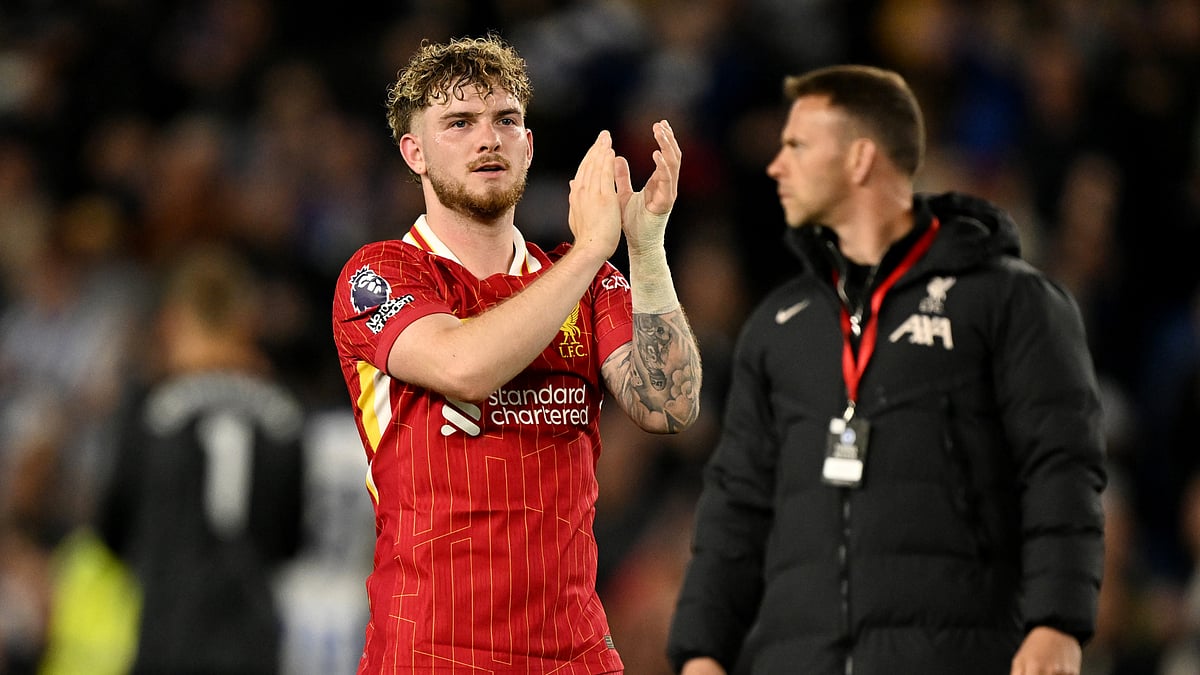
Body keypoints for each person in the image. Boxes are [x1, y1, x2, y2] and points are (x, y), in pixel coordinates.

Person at [666, 65, 1106, 675]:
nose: (776, 165)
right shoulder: (778, 324)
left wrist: (1057, 621)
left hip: (957, 655)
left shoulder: (1009, 301)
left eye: (796, 145)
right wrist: (702, 650)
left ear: (860, 159)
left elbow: (1060, 465)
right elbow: (737, 504)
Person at [330, 35, 702, 674]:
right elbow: (462, 365)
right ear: (412, 153)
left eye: (506, 119)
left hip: (574, 655)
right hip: (429, 656)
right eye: (459, 123)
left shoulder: (588, 283)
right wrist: (590, 251)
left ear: (528, 145)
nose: (488, 139)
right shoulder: (381, 274)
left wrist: (643, 248)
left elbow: (669, 406)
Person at [98, 243, 306, 675]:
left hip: (169, 638)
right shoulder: (285, 414)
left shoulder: (150, 407)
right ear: (249, 320)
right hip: (255, 642)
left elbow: (111, 530)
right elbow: (291, 539)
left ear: (171, 321)